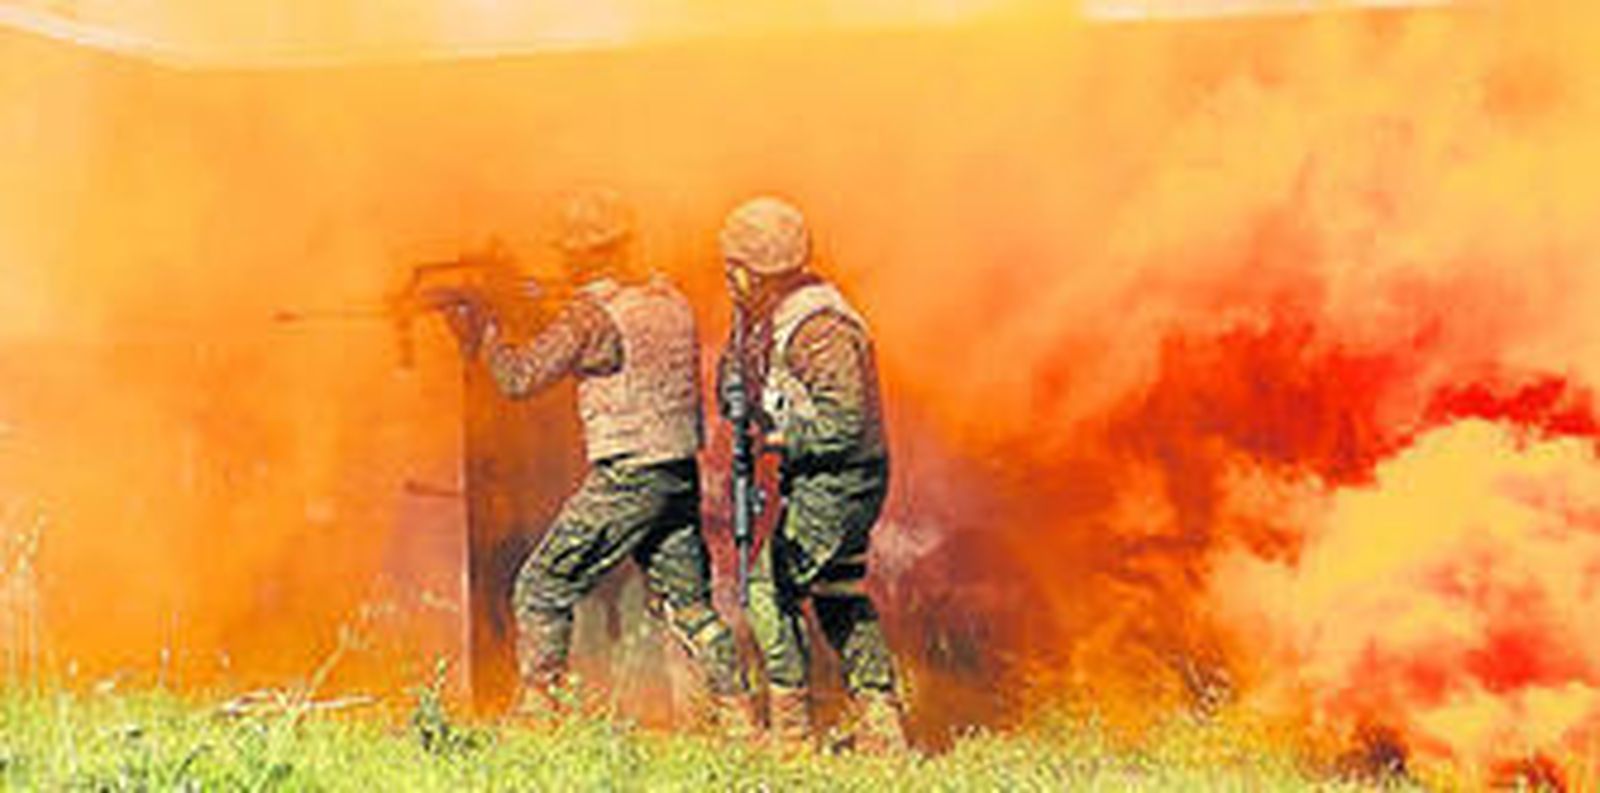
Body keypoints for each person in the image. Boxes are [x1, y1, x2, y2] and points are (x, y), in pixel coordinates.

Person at [435, 187, 753, 733]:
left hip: (627, 474)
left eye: (569, 251)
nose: (562, 259)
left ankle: (540, 715)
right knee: (690, 605)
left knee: (541, 586)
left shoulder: (591, 316)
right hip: (677, 472)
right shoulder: (667, 299)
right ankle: (737, 713)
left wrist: (480, 333)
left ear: (587, 254)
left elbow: (519, 378)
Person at [715, 196, 907, 753]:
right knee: (838, 593)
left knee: (767, 593)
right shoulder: (774, 317)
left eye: (735, 266)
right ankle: (881, 726)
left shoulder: (819, 327)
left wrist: (778, 439)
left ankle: (792, 733)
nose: (729, 277)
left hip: (840, 482)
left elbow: (846, 423)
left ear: (758, 269)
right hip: (830, 480)